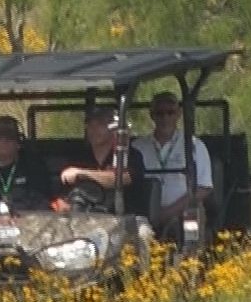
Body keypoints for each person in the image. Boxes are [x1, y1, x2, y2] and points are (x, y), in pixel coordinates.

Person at [132, 90, 214, 235]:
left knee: (193, 217)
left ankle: (191, 255)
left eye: (170, 113)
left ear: (178, 114)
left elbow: (204, 187)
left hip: (183, 210)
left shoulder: (195, 145)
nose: (165, 118)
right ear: (152, 115)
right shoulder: (138, 147)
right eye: (160, 113)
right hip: (145, 213)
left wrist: (169, 212)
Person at [56, 105, 144, 211]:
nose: (94, 128)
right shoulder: (78, 158)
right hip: (83, 218)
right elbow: (62, 196)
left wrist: (83, 174)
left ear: (114, 128)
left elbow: (122, 178)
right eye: (90, 124)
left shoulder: (128, 154)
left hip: (125, 217)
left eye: (101, 123)